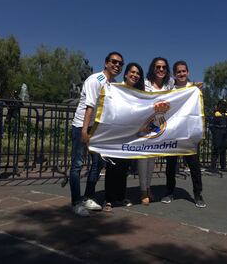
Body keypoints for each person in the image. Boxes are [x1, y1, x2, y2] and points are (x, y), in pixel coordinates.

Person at [69, 51, 124, 216]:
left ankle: (88, 196)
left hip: (98, 129)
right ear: (106, 63)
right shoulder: (96, 80)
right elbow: (90, 106)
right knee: (77, 164)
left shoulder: (113, 83)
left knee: (98, 163)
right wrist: (85, 131)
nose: (117, 65)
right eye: (114, 62)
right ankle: (76, 202)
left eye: (120, 63)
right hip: (82, 126)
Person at [161, 61, 206, 208]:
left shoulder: (194, 89)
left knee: (194, 166)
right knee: (170, 166)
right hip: (173, 134)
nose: (181, 74)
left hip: (189, 134)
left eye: (184, 71)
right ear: (175, 74)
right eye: (178, 72)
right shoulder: (171, 90)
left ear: (188, 72)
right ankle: (169, 192)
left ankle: (198, 194)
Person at [103, 62, 145, 211]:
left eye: (138, 73)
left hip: (130, 136)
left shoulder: (138, 93)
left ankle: (120, 197)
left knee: (123, 168)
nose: (135, 75)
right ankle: (109, 199)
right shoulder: (116, 88)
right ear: (126, 74)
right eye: (132, 72)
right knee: (113, 167)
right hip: (114, 134)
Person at [138, 57, 174, 205]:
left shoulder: (169, 83)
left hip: (159, 126)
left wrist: (195, 88)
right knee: (142, 158)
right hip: (144, 125)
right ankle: (142, 191)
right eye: (158, 67)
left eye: (164, 67)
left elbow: (183, 90)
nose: (161, 70)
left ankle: (148, 187)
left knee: (152, 158)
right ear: (153, 68)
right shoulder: (145, 83)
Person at [209, 99, 227, 173]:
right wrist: (215, 133)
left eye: (225, 105)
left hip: (226, 132)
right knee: (216, 149)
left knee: (224, 149)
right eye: (223, 105)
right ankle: (213, 167)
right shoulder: (216, 113)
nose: (224, 107)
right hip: (218, 132)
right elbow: (211, 125)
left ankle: (223, 166)